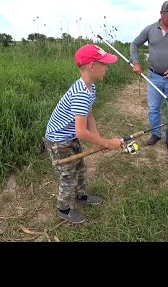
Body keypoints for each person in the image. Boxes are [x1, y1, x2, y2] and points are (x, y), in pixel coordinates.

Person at [43, 44, 124, 224]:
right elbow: (81, 131)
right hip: (58, 140)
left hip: (69, 136)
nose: (107, 67)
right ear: (91, 66)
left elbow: (89, 118)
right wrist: (108, 142)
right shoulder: (81, 93)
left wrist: (100, 143)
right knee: (68, 174)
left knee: (80, 167)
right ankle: (63, 208)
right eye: (104, 63)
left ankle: (81, 196)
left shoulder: (90, 88)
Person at [129, 0, 168, 150]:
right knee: (153, 108)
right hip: (154, 77)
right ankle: (156, 134)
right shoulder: (150, 29)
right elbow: (134, 44)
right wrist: (136, 63)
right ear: (161, 14)